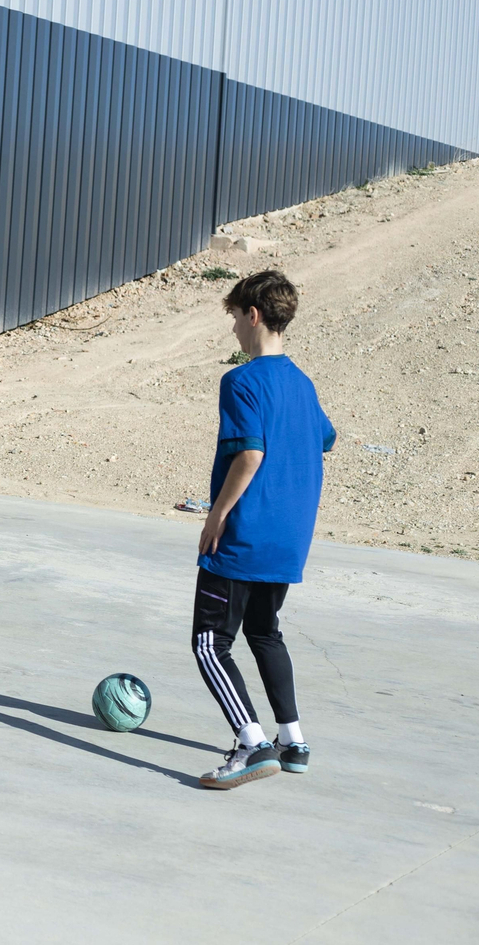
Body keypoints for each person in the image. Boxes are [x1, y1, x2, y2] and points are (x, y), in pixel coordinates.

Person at [192, 269, 335, 790]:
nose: (233, 329)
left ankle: (253, 745)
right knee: (263, 631)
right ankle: (292, 740)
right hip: (289, 538)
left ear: (253, 315)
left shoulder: (241, 380)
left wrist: (217, 514)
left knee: (210, 644)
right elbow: (325, 437)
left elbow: (251, 453)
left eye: (234, 317)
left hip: (245, 535)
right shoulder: (302, 383)